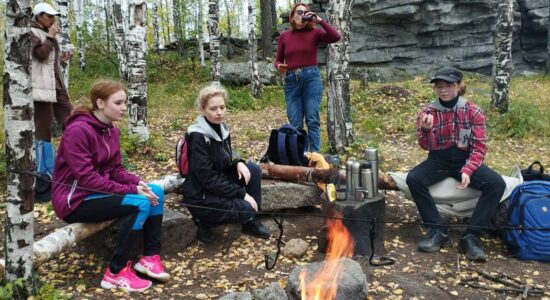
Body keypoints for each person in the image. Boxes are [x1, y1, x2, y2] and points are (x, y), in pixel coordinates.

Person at [52, 80, 169, 292]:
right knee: (140, 203)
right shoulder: (78, 131)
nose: (124, 107)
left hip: (98, 195)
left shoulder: (111, 131)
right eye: (119, 103)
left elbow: (115, 170)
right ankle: (115, 272)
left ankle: (149, 257)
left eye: (124, 102)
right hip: (75, 200)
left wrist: (136, 182)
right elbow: (86, 178)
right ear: (100, 103)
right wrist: (131, 191)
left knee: (157, 192)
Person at [406, 67, 506, 262]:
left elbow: (479, 148)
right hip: (438, 159)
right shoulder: (428, 111)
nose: (443, 90)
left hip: (464, 159)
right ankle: (437, 231)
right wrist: (426, 131)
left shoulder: (473, 111)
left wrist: (468, 170)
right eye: (439, 87)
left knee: (497, 183)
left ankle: (472, 237)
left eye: (448, 86)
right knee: (414, 178)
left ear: (458, 87)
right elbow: (425, 146)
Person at [183, 84, 271, 244]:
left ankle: (249, 221)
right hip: (201, 196)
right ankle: (203, 221)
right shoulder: (197, 136)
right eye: (213, 108)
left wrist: (238, 162)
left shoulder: (222, 129)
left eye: (222, 107)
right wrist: (242, 194)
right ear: (202, 110)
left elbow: (224, 158)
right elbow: (208, 178)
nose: (219, 112)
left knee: (253, 169)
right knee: (246, 207)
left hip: (216, 186)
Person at [274, 3, 341, 152]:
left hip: (312, 79)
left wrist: (320, 21)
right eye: (299, 12)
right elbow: (278, 60)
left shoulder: (315, 33)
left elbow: (335, 37)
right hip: (292, 81)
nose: (302, 15)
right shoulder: (284, 36)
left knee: (312, 120)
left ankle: (314, 157)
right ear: (292, 16)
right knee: (295, 123)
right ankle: (298, 157)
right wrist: (279, 66)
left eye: (306, 13)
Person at [31, 3, 74, 201]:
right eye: (49, 16)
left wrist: (62, 58)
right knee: (44, 130)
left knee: (73, 120)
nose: (53, 20)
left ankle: (75, 162)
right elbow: (39, 54)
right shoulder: (31, 32)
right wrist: (50, 36)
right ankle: (44, 176)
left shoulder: (48, 34)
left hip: (56, 86)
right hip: (41, 89)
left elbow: (49, 61)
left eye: (53, 17)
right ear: (39, 16)